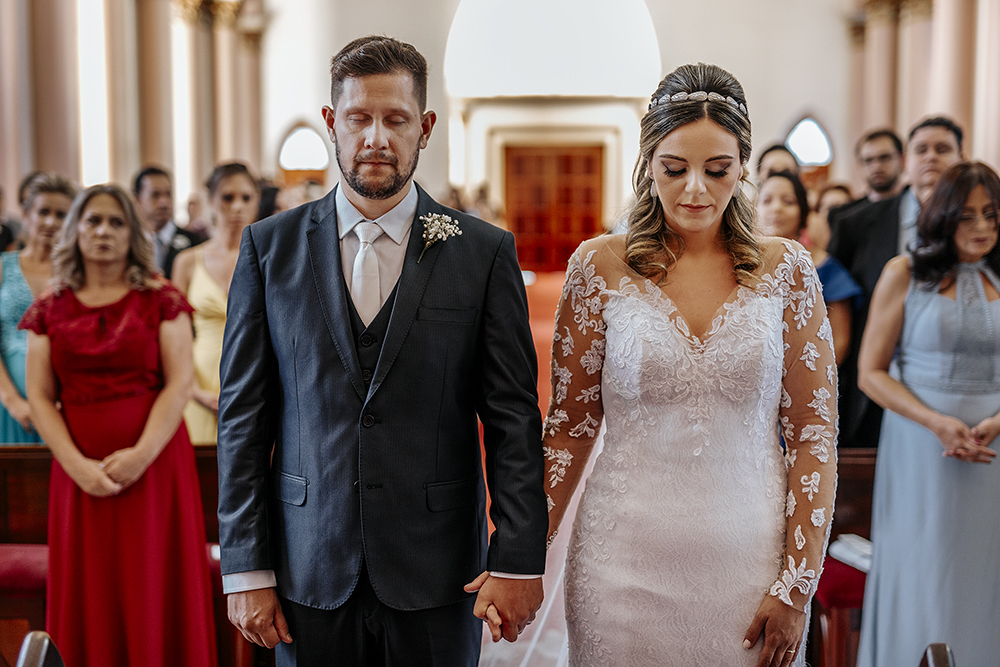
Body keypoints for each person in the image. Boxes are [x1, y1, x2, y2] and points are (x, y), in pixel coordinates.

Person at [217, 35, 547, 667]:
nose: (375, 138)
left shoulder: (482, 253)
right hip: (306, 565)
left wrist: (518, 556)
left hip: (439, 568)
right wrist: (245, 567)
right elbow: (242, 422)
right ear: (330, 123)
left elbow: (512, 419)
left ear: (423, 127)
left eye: (395, 120)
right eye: (358, 119)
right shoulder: (269, 249)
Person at [542, 64, 837, 666]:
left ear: (743, 168)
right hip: (621, 563)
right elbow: (569, 429)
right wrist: (518, 555)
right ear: (648, 162)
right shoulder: (598, 267)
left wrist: (797, 582)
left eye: (717, 170)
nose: (695, 190)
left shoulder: (787, 271)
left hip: (751, 563)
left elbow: (813, 434)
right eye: (675, 170)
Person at [20, 184, 216, 666]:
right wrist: (78, 468)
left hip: (156, 469)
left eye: (115, 221)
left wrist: (141, 456)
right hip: (79, 473)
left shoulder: (161, 298)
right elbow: (41, 399)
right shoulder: (51, 306)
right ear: (75, 231)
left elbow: (179, 382)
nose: (103, 231)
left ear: (132, 232)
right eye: (92, 221)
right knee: (92, 588)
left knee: (154, 582)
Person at [855, 162, 1000, 667]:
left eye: (991, 215)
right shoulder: (905, 273)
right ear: (942, 217)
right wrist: (936, 421)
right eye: (967, 216)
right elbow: (870, 373)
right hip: (922, 446)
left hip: (994, 450)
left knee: (987, 572)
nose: (982, 228)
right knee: (926, 565)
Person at [829, 117, 963, 448]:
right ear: (907, 161)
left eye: (943, 149)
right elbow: (829, 302)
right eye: (922, 150)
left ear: (961, 158)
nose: (931, 157)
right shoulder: (855, 223)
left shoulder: (977, 226)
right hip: (873, 381)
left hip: (949, 383)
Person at [173, 163, 259, 446]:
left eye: (246, 198)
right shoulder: (187, 261)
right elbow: (175, 336)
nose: (237, 207)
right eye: (227, 197)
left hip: (252, 385)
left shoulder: (267, 259)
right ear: (211, 201)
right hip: (196, 382)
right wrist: (192, 389)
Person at [0, 173, 76, 443]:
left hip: (65, 406)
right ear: (25, 213)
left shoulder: (77, 276)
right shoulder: (2, 266)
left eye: (61, 215)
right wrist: (12, 401)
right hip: (9, 403)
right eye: (43, 211)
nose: (50, 222)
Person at [757, 171, 861, 364]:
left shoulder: (827, 268)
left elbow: (840, 342)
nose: (776, 208)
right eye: (767, 200)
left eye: (788, 201)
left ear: (803, 213)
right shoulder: (741, 263)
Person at [133, 166, 205, 278]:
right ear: (137, 200)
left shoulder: (195, 243)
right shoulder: (130, 244)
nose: (164, 202)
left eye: (168, 194)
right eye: (155, 195)